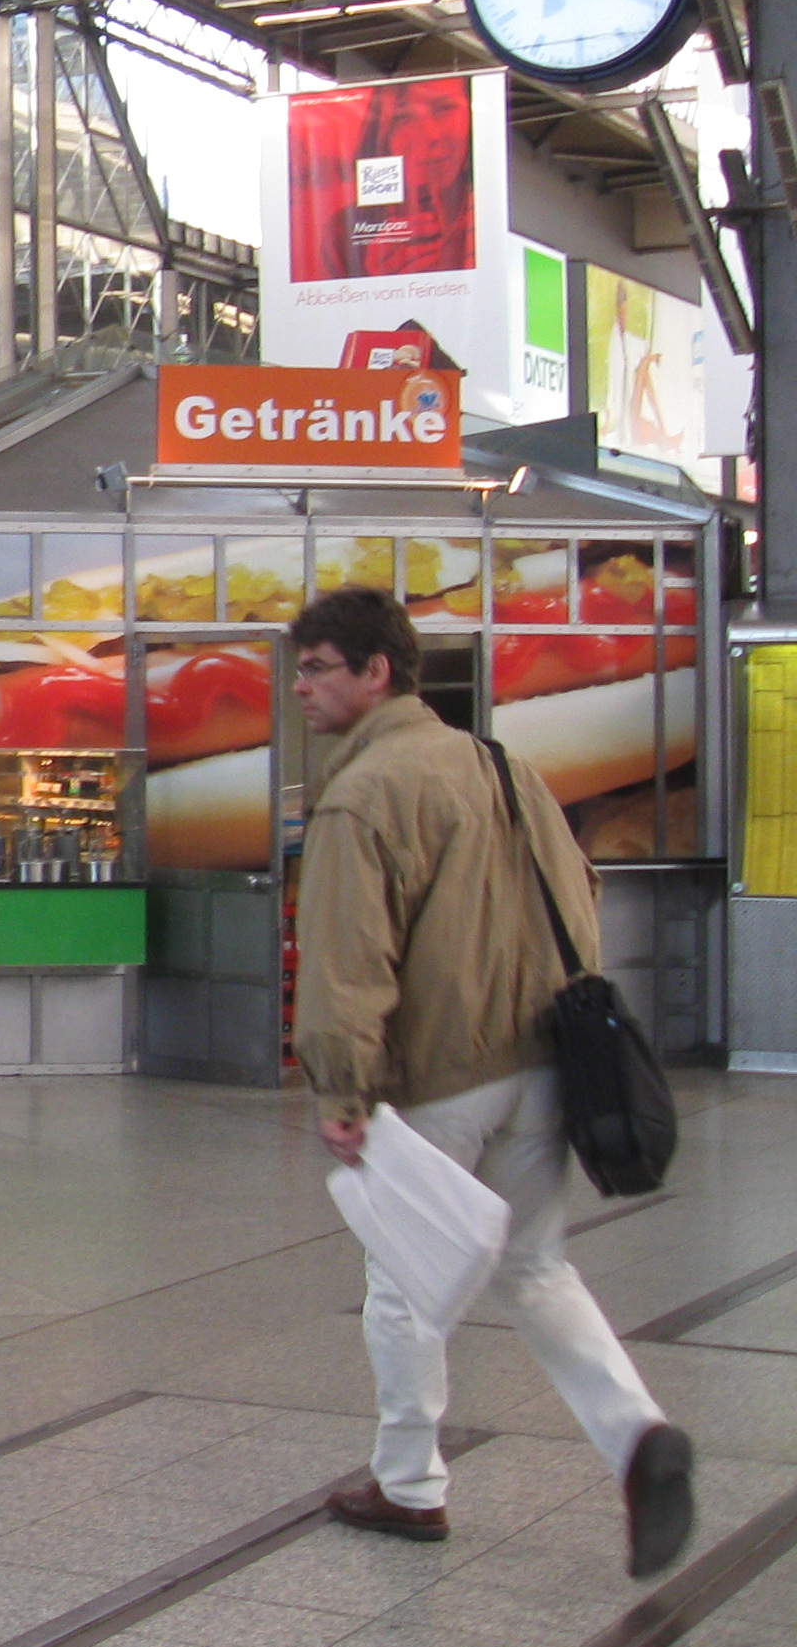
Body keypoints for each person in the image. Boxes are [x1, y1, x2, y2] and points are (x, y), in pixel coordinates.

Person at [288, 587, 692, 1578]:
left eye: (317, 668)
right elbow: (580, 895)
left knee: (402, 1281)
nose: (300, 688)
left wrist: (342, 1091)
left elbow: (346, 959)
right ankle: (638, 1435)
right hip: (542, 1064)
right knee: (536, 1265)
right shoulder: (503, 766)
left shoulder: (360, 791)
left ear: (377, 671)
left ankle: (409, 1483)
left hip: (440, 1076)